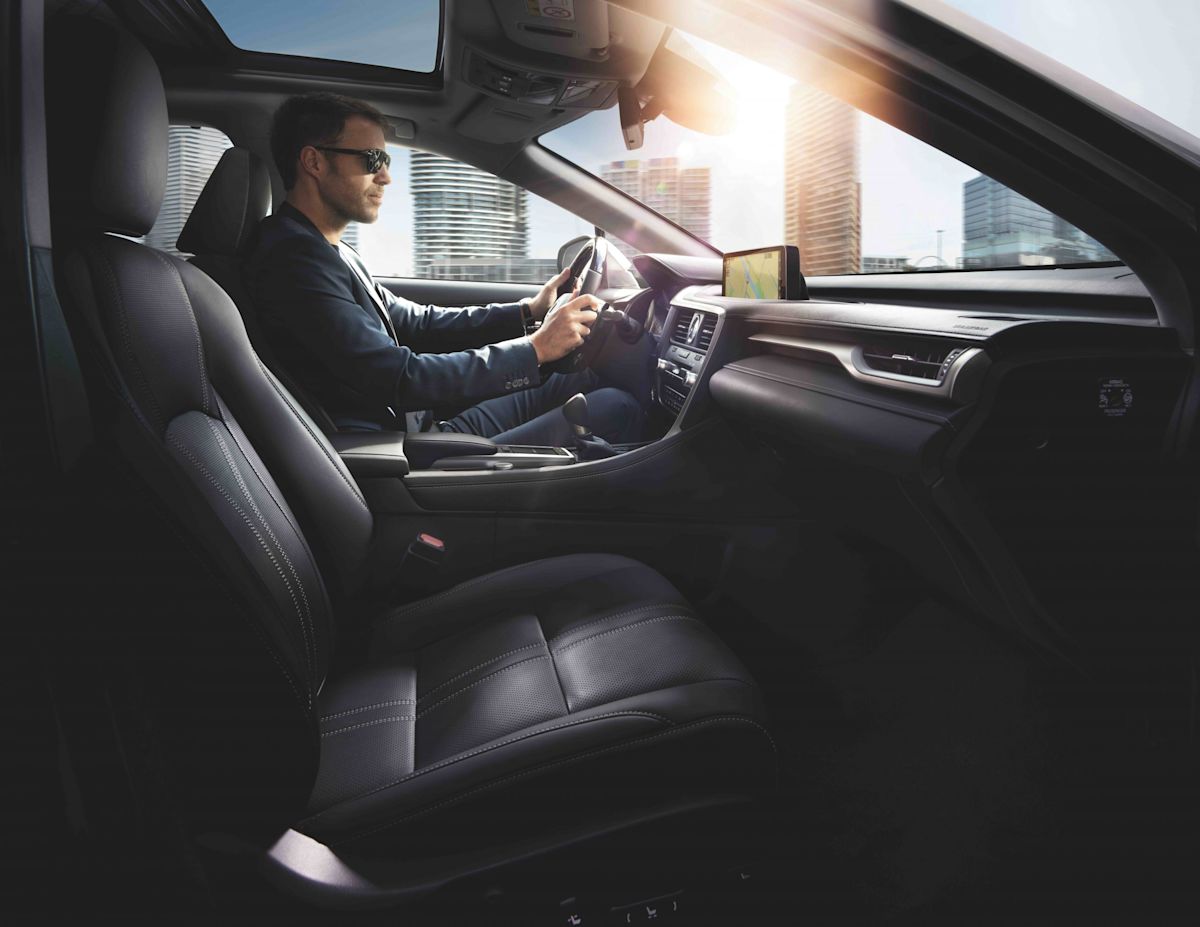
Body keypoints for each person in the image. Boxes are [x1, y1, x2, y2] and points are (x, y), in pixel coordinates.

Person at [247, 92, 642, 444]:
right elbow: (396, 378)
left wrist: (528, 312)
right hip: (393, 452)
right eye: (372, 160)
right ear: (313, 162)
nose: (386, 176)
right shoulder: (293, 260)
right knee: (614, 408)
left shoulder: (326, 249)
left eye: (385, 160)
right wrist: (535, 349)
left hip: (412, 426)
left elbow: (415, 322)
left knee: (580, 377)